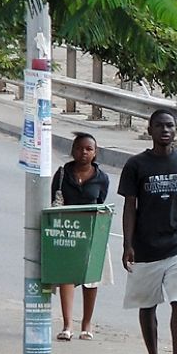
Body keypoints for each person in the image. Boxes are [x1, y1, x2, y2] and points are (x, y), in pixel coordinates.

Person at [119, 110, 177, 354]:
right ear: (150, 130)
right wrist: (128, 243)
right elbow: (129, 206)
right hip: (145, 246)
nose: (165, 130)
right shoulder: (136, 165)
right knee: (147, 303)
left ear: (176, 130)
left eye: (170, 126)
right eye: (160, 126)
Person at [53, 132, 111, 341]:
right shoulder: (62, 174)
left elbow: (101, 203)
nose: (83, 152)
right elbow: (54, 201)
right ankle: (67, 324)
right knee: (66, 276)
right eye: (79, 148)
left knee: (91, 279)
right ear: (72, 150)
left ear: (95, 153)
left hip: (91, 232)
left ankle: (86, 324)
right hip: (67, 231)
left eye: (88, 149)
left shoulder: (102, 178)